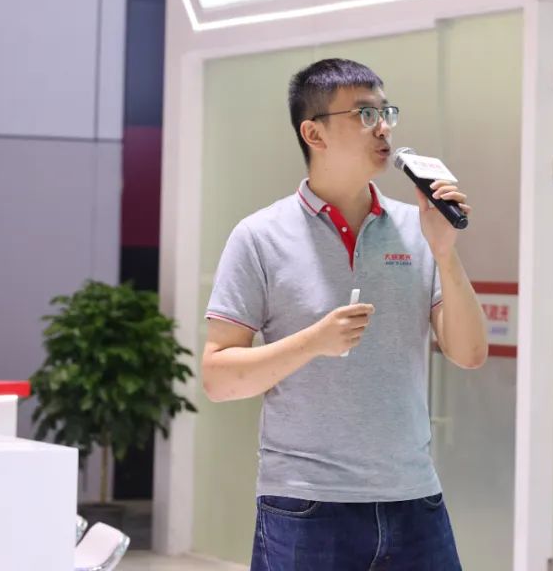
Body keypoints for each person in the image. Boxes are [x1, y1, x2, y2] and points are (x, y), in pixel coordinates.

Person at [201, 58, 488, 570]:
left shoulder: (419, 228)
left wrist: (445, 252)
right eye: (364, 114)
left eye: (386, 113)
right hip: (306, 505)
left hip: (414, 499)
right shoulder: (259, 236)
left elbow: (469, 354)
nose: (383, 128)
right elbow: (218, 378)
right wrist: (313, 342)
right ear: (314, 133)